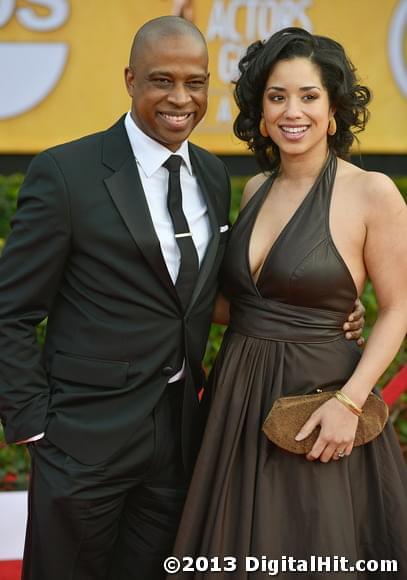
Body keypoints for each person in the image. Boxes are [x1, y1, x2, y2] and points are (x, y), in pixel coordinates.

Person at [0, 17, 363, 580]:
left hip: (181, 441)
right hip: (82, 442)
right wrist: (34, 426)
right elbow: (11, 311)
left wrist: (322, 310)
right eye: (161, 80)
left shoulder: (213, 175)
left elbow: (205, 294)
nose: (180, 98)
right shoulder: (66, 173)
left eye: (195, 83)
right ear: (130, 80)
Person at [170, 27, 407, 579]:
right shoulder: (256, 189)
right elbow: (241, 304)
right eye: (277, 97)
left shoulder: (372, 192)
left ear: (334, 110)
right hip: (237, 399)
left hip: (320, 403)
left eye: (308, 96)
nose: (291, 111)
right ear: (261, 113)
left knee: (312, 548)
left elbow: (399, 308)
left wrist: (350, 403)